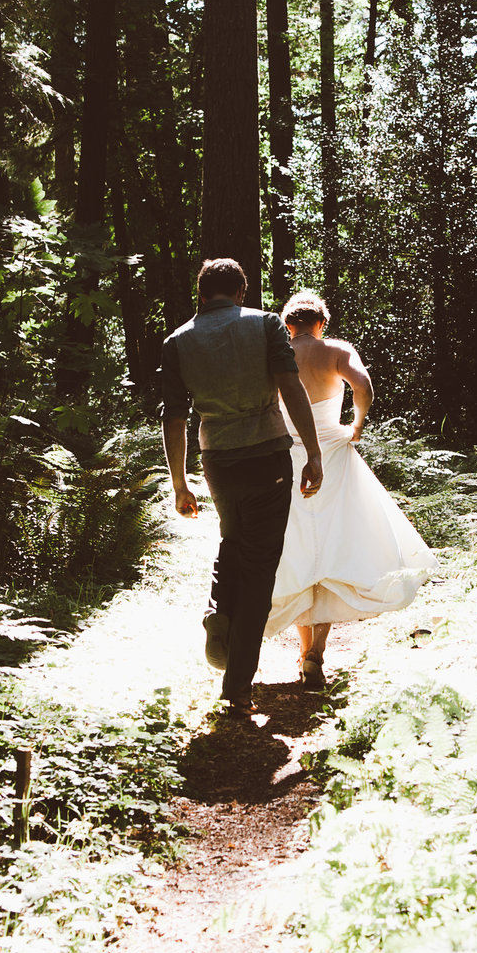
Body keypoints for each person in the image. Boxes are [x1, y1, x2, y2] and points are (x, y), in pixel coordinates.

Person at [158, 259, 327, 718]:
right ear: (240, 290)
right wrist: (312, 452)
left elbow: (173, 416)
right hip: (268, 454)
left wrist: (180, 483)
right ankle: (237, 687)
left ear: (201, 293)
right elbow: (290, 387)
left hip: (218, 459)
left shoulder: (177, 341)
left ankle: (218, 606)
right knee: (260, 567)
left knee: (233, 541)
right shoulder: (266, 324)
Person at [263, 291, 440, 690]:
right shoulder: (337, 350)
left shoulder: (274, 351)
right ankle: (315, 655)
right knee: (334, 544)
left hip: (288, 454)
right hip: (333, 454)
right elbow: (364, 386)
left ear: (288, 325)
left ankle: (307, 650)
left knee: (299, 548)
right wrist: (356, 425)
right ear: (321, 323)